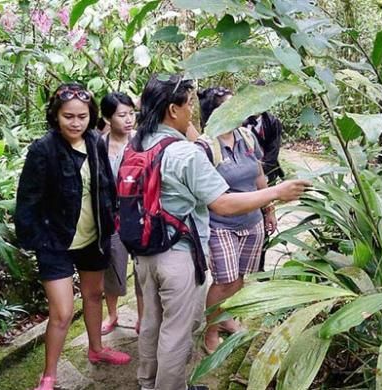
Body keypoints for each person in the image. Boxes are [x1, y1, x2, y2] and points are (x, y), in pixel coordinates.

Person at [126, 75, 309, 390]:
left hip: (144, 251)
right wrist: (277, 193)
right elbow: (222, 204)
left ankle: (148, 383)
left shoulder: (136, 143)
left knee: (153, 322)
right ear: (173, 109)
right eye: (188, 107)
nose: (191, 114)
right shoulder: (185, 153)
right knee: (178, 330)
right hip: (177, 254)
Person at [15, 83, 131, 390]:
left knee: (94, 296)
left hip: (93, 237)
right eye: (68, 116)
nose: (75, 123)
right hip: (55, 242)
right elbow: (27, 200)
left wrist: (112, 219)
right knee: (63, 312)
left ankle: (96, 349)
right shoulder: (43, 149)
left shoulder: (95, 140)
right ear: (56, 115)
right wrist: (37, 240)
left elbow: (105, 183)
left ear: (91, 116)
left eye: (82, 116)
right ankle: (49, 375)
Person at [197, 87, 277, 353]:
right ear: (218, 112)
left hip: (251, 223)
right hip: (220, 225)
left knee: (240, 278)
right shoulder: (205, 146)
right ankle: (210, 329)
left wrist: (269, 209)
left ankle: (226, 319)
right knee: (223, 282)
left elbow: (258, 176)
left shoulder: (247, 137)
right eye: (234, 105)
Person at [98, 92, 143, 335]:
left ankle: (142, 317)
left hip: (139, 215)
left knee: (142, 269)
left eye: (131, 114)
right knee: (113, 267)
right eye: (121, 115)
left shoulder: (141, 142)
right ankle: (112, 314)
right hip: (112, 217)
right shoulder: (99, 144)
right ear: (107, 117)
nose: (128, 120)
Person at [243, 80, 285, 185]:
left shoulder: (273, 122)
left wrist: (263, 171)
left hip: (267, 171)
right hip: (245, 173)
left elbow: (273, 150)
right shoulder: (240, 122)